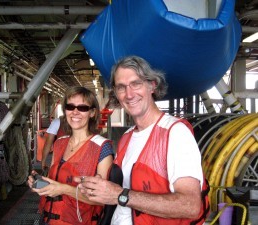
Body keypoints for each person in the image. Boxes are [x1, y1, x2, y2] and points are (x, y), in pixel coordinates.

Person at [76, 56, 210, 225]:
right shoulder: (127, 137)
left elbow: (190, 205)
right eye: (121, 87)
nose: (129, 94)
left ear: (152, 85)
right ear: (116, 93)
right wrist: (99, 188)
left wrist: (119, 194)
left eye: (136, 83)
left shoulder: (175, 133)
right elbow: (123, 190)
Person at [27, 86, 114, 225]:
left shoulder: (102, 148)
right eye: (70, 106)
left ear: (92, 113)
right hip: (48, 219)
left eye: (83, 108)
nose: (75, 112)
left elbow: (101, 198)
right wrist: (40, 183)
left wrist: (63, 189)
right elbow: (53, 180)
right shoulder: (59, 143)